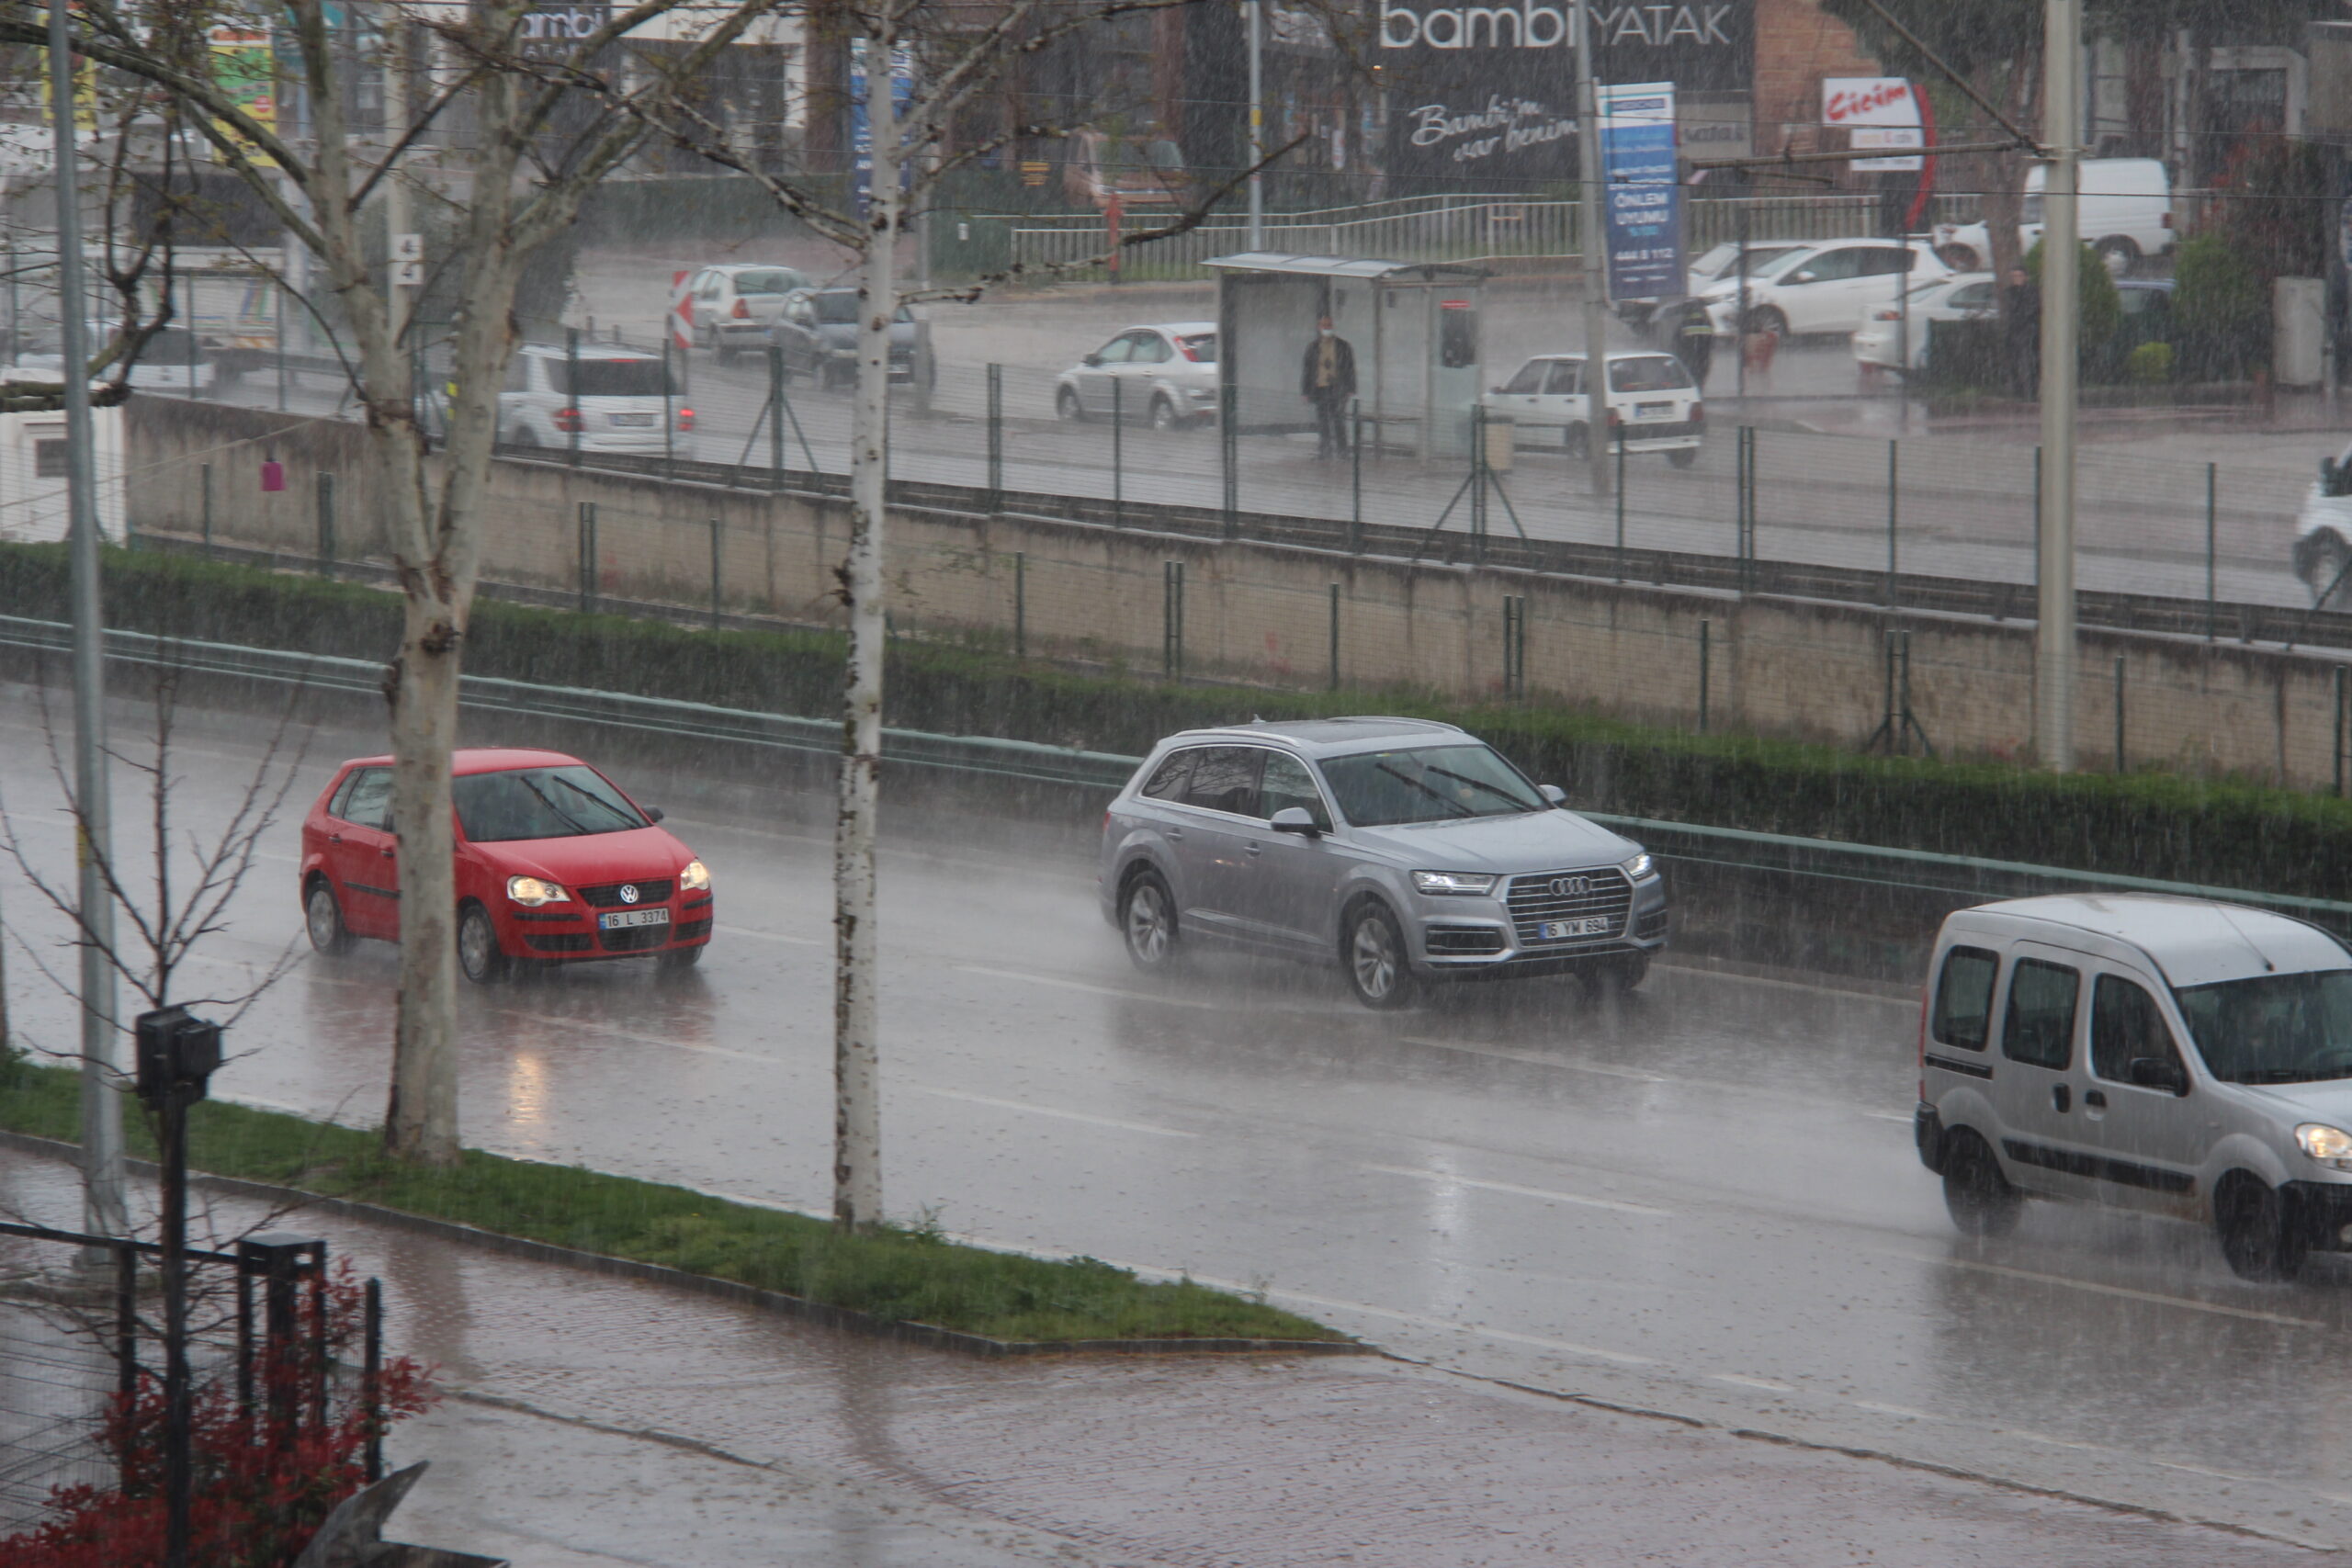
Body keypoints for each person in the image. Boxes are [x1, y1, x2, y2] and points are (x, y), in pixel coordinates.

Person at [1298, 315, 1357, 458]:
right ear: (1319, 327)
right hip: (1320, 388)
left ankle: (1342, 450)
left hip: (1338, 388)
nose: (1327, 329)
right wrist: (1305, 391)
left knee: (1338, 419)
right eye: (1324, 326)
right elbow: (1307, 369)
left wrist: (1350, 388)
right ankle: (1325, 449)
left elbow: (1350, 367)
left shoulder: (1343, 346)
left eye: (1329, 326)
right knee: (1323, 420)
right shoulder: (1313, 347)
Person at [2003, 265, 2041, 396]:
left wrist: (2022, 318)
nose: (2016, 279)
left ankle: (2031, 391)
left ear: (2025, 277)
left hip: (2029, 331)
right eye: (2014, 276)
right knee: (2014, 362)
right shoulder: (2009, 292)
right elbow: (2009, 309)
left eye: (2019, 276)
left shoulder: (2032, 291)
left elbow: (2031, 310)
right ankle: (2017, 391)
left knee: (2029, 361)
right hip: (2013, 331)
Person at [1673, 302, 1714, 389]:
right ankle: (1700, 393)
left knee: (1691, 380)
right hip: (1703, 358)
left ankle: (1695, 393)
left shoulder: (1685, 323)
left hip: (1690, 358)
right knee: (1701, 379)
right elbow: (1711, 341)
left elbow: (1676, 341)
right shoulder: (1707, 322)